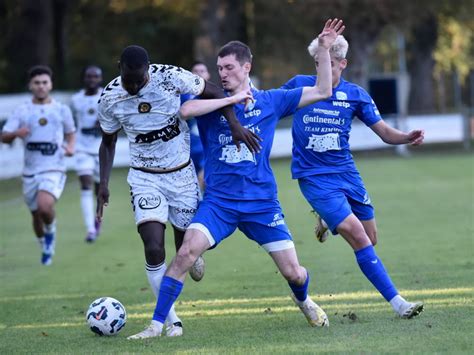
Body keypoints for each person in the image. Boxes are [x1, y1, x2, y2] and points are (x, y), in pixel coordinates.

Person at [127, 18, 345, 340]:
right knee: (186, 253)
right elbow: (186, 112)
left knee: (294, 274)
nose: (222, 74)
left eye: (229, 68)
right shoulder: (214, 103)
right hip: (219, 204)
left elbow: (324, 90)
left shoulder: (271, 101)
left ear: (246, 67)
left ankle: (304, 300)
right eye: (219, 68)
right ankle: (157, 325)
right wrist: (229, 101)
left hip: (261, 204)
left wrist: (324, 49)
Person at [96, 45, 260, 337]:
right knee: (153, 246)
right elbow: (108, 142)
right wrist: (104, 184)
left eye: (139, 80)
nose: (133, 86)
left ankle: (192, 254)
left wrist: (234, 124)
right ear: (119, 67)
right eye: (128, 80)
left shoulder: (171, 77)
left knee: (184, 248)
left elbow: (216, 93)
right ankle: (169, 321)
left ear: (148, 70)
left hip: (182, 176)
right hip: (145, 177)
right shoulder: (110, 97)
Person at [280, 34, 425, 318]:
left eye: (329, 63)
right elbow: (268, 106)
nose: (322, 67)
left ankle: (325, 218)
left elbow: (383, 131)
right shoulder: (299, 86)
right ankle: (399, 304)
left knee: (370, 239)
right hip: (314, 177)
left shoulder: (355, 94)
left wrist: (406, 137)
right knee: (358, 235)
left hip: (347, 173)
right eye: (318, 62)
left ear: (343, 64)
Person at [1, 65, 76, 265]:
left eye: (44, 82)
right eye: (37, 83)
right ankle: (44, 242)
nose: (41, 86)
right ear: (30, 85)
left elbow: (71, 133)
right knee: (35, 215)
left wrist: (70, 147)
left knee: (44, 207)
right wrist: (17, 134)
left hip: (54, 167)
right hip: (30, 171)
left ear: (50, 84)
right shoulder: (22, 111)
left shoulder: (61, 109)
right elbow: (4, 137)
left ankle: (51, 232)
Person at [70, 65, 103, 243]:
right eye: (89, 77)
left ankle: (97, 221)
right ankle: (90, 229)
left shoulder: (106, 96)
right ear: (84, 79)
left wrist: (104, 123)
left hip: (101, 149)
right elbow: (71, 123)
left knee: (99, 190)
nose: (92, 80)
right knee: (85, 183)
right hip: (82, 147)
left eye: (95, 77)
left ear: (100, 79)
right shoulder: (76, 100)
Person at [180, 61, 210, 191]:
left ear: (208, 75)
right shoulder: (181, 97)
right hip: (186, 146)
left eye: (202, 71)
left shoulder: (214, 96)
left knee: (205, 178)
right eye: (196, 71)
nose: (199, 74)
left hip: (206, 144)